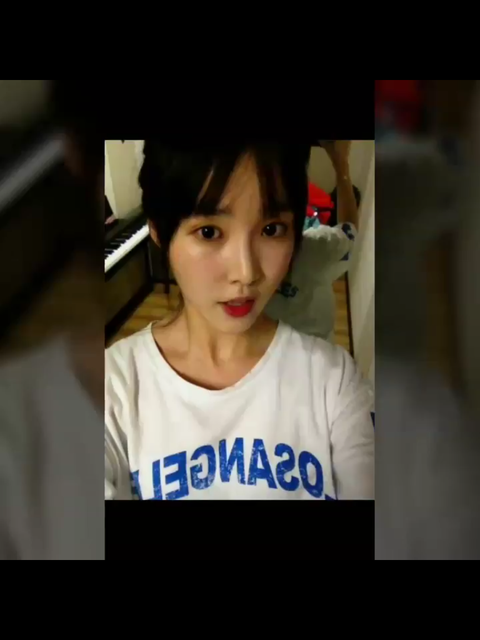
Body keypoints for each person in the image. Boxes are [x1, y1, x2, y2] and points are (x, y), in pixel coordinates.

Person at [105, 140, 374, 501]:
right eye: (209, 232)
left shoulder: (334, 383)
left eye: (272, 229)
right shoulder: (110, 387)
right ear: (159, 233)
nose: (246, 273)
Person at [265, 141, 359, 342]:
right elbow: (350, 228)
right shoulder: (319, 248)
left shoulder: (235, 252)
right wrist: (341, 165)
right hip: (315, 353)